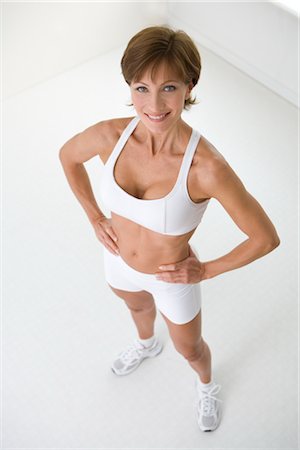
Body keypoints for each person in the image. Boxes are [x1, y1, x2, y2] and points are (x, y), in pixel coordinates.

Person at [59, 25, 280, 432]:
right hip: (117, 260)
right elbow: (68, 157)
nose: (154, 104)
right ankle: (145, 344)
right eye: (141, 88)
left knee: (191, 348)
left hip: (171, 276)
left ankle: (207, 385)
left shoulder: (206, 168)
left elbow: (266, 237)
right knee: (136, 308)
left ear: (189, 86)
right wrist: (94, 217)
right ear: (129, 86)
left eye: (169, 88)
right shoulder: (110, 136)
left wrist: (205, 270)